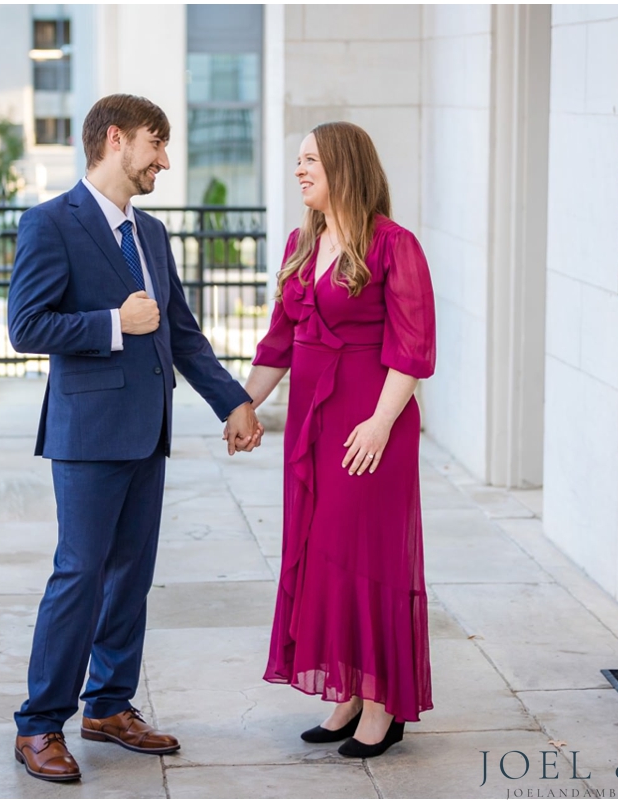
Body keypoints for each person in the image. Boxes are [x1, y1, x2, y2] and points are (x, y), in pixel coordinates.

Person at [6, 93, 262, 783]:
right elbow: (26, 326)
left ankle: (109, 705)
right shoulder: (49, 223)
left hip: (148, 432)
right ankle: (38, 722)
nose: (164, 160)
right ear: (115, 140)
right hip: (87, 434)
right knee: (79, 575)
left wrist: (232, 401)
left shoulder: (151, 234)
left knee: (132, 578)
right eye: (156, 144)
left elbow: (179, 330)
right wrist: (113, 323)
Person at [240, 121, 437, 758]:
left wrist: (380, 424)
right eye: (297, 160)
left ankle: (383, 705)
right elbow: (277, 343)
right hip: (313, 423)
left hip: (370, 420)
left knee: (370, 557)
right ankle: (347, 695)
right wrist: (244, 404)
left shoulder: (393, 245)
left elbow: (411, 349)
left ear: (345, 167)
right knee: (323, 551)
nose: (299, 171)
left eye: (311, 161)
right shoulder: (304, 242)